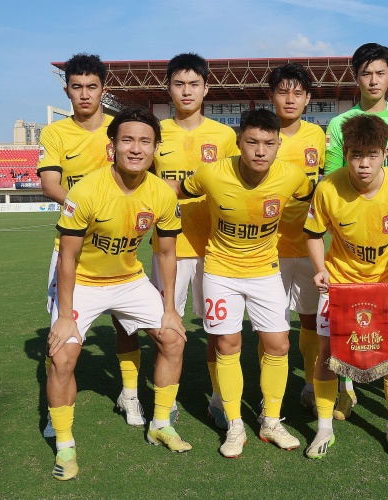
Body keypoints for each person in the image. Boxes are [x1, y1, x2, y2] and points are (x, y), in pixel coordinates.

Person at [47, 106, 190, 481]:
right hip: (84, 282)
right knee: (63, 354)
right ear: (112, 146)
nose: (136, 148)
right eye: (127, 140)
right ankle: (65, 444)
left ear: (155, 148)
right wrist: (65, 317)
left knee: (173, 337)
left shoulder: (161, 194)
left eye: (145, 141)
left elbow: (167, 253)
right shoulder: (86, 190)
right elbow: (67, 257)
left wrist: (170, 308)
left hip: (129, 280)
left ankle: (161, 424)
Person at [174, 109, 314, 458]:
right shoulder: (211, 173)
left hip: (266, 271)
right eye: (252, 142)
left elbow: (319, 198)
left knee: (278, 344)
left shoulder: (293, 176)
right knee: (227, 344)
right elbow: (177, 190)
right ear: (238, 142)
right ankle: (234, 424)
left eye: (268, 143)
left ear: (279, 145)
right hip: (221, 272)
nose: (260, 151)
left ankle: (271, 421)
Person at [36, 53, 146, 437]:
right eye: (77, 87)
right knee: (61, 334)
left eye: (92, 86)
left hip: (119, 247)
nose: (84, 94)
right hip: (72, 245)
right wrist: (89, 209)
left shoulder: (121, 129)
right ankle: (55, 412)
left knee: (126, 325)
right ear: (67, 90)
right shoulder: (54, 134)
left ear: (103, 89)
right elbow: (50, 184)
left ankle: (130, 394)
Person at [304, 114, 388, 458]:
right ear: (346, 154)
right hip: (339, 286)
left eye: (371, 155)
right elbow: (313, 234)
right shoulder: (328, 188)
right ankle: (324, 428)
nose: (364, 164)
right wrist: (320, 269)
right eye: (356, 155)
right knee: (327, 354)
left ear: (384, 153)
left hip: (383, 287)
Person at [323, 42, 388, 419]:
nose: (374, 80)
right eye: (366, 73)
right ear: (356, 77)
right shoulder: (339, 124)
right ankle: (346, 387)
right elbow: (332, 178)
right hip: (355, 235)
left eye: (381, 72)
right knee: (349, 312)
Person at [151, 53, 239, 429]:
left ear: (206, 88)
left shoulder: (225, 136)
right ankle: (166, 402)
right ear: (168, 88)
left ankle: (218, 399)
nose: (186, 91)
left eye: (193, 84)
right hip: (168, 246)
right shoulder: (155, 132)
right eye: (179, 84)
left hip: (215, 248)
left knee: (218, 329)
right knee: (166, 328)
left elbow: (236, 186)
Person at [266, 63, 326, 412]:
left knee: (309, 319)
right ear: (271, 96)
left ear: (308, 98)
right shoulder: (261, 133)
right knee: (272, 326)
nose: (290, 99)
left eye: (297, 93)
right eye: (283, 92)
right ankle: (270, 393)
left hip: (307, 246)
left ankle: (309, 385)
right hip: (267, 250)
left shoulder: (317, 136)